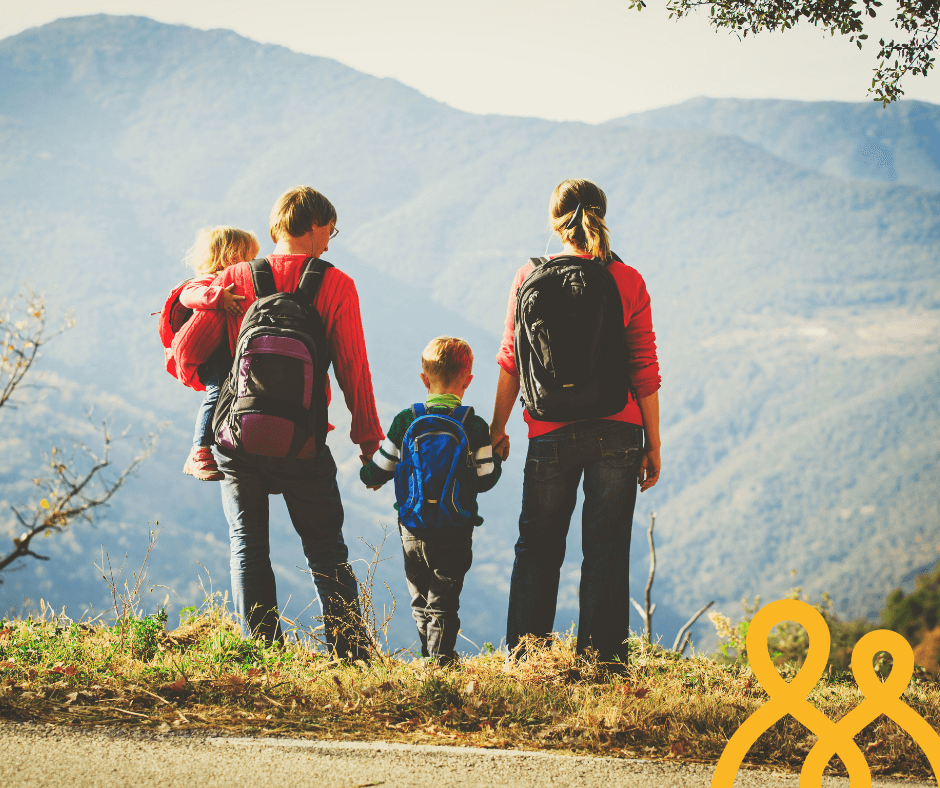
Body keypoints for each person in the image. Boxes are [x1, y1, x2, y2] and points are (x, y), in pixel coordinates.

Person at [173, 186, 385, 657]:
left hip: (237, 440)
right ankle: (352, 655)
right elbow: (354, 368)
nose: (330, 241)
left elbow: (184, 352)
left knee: (248, 544)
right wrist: (368, 437)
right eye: (329, 230)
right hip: (303, 442)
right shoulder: (336, 284)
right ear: (313, 225)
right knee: (326, 549)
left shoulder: (234, 278)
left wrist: (217, 379)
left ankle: (265, 655)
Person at [490, 178, 662, 667]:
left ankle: (526, 661)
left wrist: (497, 428)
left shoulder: (528, 275)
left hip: (548, 431)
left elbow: (511, 360)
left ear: (554, 221)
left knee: (538, 548)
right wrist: (653, 442)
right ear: (602, 215)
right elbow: (643, 366)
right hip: (618, 428)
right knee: (606, 550)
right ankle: (603, 664)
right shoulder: (626, 279)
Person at [360, 337, 501, 665]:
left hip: (413, 529)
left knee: (420, 601)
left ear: (424, 379)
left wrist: (370, 476)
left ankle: (431, 658)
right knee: (444, 603)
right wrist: (498, 456)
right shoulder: (474, 426)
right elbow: (486, 479)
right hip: (455, 528)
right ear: (467, 380)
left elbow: (377, 471)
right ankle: (439, 664)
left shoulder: (405, 421)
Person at [178, 226, 258, 482]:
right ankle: (199, 450)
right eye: (249, 257)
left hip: (234, 352)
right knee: (216, 394)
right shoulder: (207, 281)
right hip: (216, 354)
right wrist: (217, 296)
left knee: (232, 396)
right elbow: (187, 295)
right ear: (232, 256)